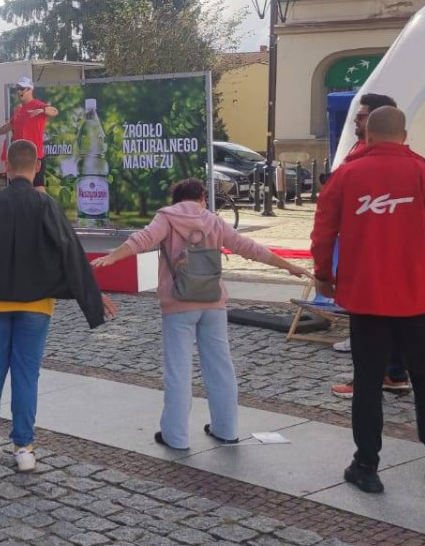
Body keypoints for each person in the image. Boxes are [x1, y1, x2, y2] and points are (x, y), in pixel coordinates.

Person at [0, 139, 115, 473]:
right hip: (37, 305)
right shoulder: (46, 205)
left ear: (6, 168)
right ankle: (24, 448)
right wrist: (93, 294)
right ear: (37, 167)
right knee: (27, 376)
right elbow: (70, 251)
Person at [311, 106, 425, 494]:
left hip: (367, 298)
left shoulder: (346, 175)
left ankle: (366, 464)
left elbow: (323, 232)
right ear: (404, 134)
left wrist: (324, 277)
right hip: (419, 297)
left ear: (368, 135)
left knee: (366, 383)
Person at [92, 179, 310, 448]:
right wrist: (288, 266)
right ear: (202, 198)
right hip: (213, 302)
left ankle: (176, 436)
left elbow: (142, 239)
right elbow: (248, 248)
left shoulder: (167, 217)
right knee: (221, 367)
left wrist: (114, 256)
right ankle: (226, 429)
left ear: (177, 199)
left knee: (178, 371)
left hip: (178, 305)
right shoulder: (213, 220)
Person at [328, 91, 412, 399]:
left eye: (361, 117)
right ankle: (393, 374)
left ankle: (373, 379)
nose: (355, 121)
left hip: (373, 251)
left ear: (376, 120)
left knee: (371, 321)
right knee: (387, 318)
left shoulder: (370, 159)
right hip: (377, 250)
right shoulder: (365, 153)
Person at [0, 76, 59, 187]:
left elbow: (55, 111)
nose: (19, 91)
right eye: (17, 88)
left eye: (22, 88)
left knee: (38, 188)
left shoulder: (38, 105)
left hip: (34, 156)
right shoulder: (19, 109)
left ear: (30, 90)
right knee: (18, 188)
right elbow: (9, 125)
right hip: (18, 157)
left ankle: (42, 204)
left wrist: (42, 110)